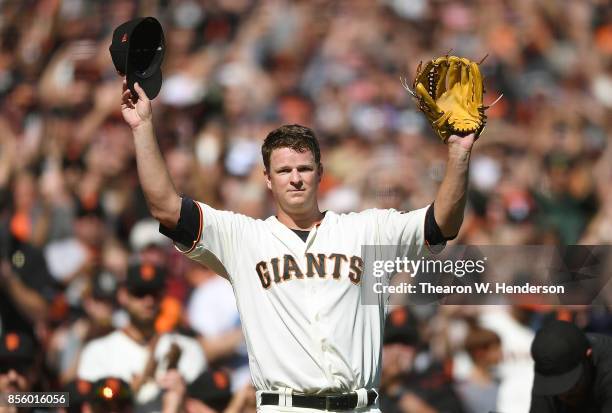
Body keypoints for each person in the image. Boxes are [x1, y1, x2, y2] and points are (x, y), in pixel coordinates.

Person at [121, 75, 476, 412]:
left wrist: (459, 154)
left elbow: (442, 223)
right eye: (284, 171)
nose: (295, 179)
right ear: (267, 179)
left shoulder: (369, 230)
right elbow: (166, 207)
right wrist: (142, 128)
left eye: (304, 169)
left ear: (320, 173)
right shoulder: (243, 238)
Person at [76, 261, 206, 413]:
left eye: (155, 293)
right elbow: (89, 403)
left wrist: (183, 398)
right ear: (123, 295)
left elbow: (206, 405)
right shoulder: (97, 351)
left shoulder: (188, 348)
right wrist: (130, 389)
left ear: (164, 295)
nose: (148, 301)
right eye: (139, 293)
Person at [529, 320, 612, 413]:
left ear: (588, 355)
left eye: (572, 384)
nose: (564, 394)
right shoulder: (547, 367)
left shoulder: (608, 369)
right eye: (554, 386)